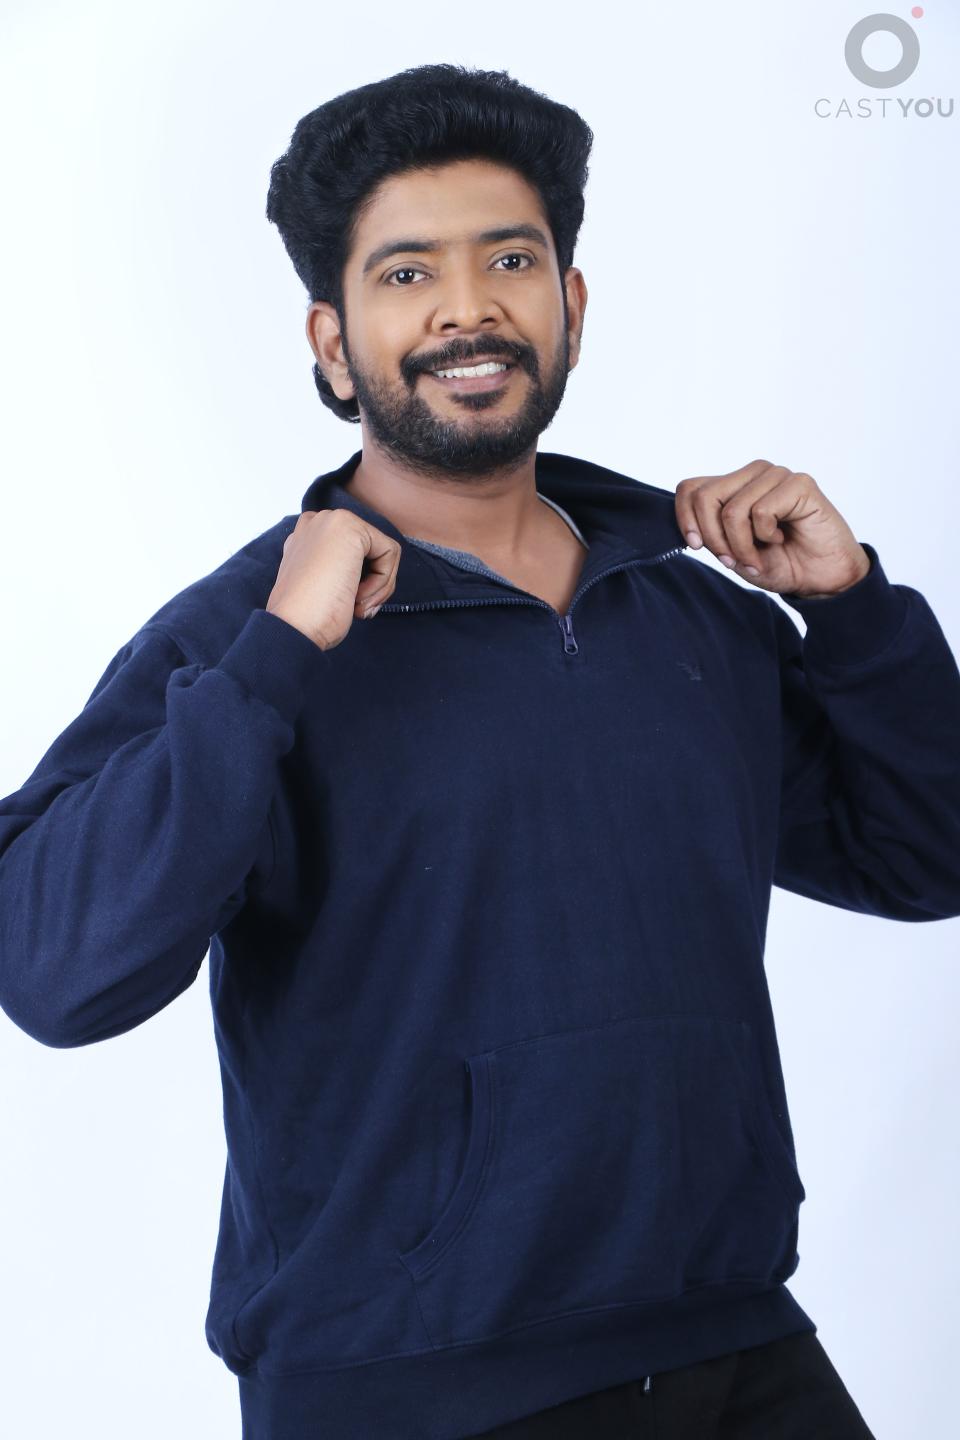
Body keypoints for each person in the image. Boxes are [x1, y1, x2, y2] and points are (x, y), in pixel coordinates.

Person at [1, 62, 957, 1440]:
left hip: (736, 1338)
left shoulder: (691, 611)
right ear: (334, 344)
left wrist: (855, 611)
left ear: (571, 306)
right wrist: (275, 659)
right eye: (407, 275)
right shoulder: (243, 640)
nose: (468, 307)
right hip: (410, 1392)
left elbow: (927, 858)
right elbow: (52, 972)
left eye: (510, 260)